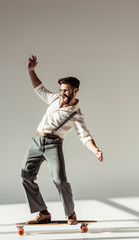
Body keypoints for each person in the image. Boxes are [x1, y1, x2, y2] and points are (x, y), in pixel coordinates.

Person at [21, 55, 103, 225]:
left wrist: (95, 150)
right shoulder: (54, 99)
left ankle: (71, 213)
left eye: (66, 90)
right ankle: (43, 213)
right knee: (26, 176)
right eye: (61, 90)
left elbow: (84, 136)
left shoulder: (76, 114)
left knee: (60, 180)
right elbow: (39, 88)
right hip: (36, 142)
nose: (62, 93)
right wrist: (31, 71)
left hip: (53, 144)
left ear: (75, 90)